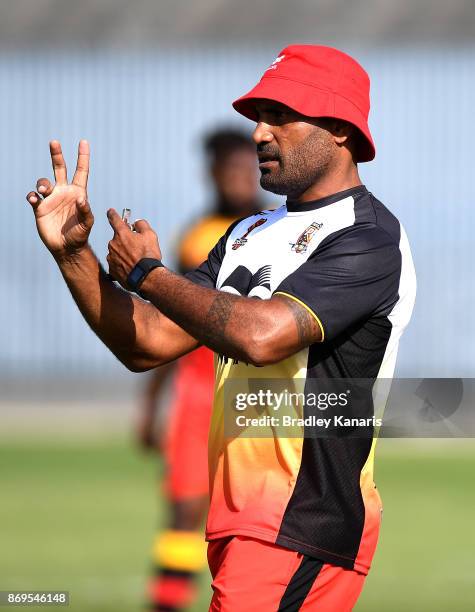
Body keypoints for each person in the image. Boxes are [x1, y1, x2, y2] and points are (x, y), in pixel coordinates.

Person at [26, 44, 416, 611]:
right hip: (243, 521)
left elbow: (263, 336)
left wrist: (148, 274)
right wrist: (74, 255)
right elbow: (149, 342)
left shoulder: (368, 237)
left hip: (301, 522)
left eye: (279, 115)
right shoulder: (246, 233)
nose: (259, 133)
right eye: (257, 116)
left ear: (338, 128)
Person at [136, 129, 262, 611]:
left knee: (257, 514)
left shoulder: (282, 227)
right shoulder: (197, 237)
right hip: (197, 392)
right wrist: (151, 406)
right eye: (226, 168)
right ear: (209, 172)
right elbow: (166, 328)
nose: (236, 177)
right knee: (185, 509)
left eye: (243, 167)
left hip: (257, 393)